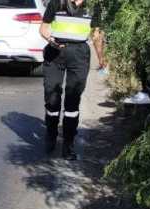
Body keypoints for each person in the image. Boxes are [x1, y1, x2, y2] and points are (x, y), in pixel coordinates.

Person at [39, 0, 106, 161]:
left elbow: (96, 35)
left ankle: (68, 144)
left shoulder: (92, 6)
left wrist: (102, 58)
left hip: (79, 54)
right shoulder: (57, 3)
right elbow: (43, 28)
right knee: (52, 95)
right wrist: (51, 40)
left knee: (72, 100)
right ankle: (51, 134)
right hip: (55, 53)